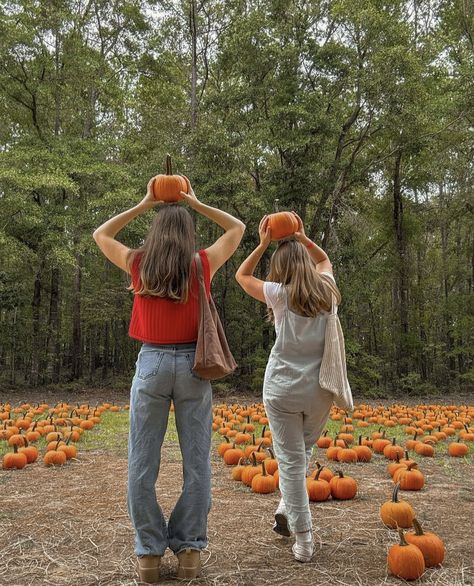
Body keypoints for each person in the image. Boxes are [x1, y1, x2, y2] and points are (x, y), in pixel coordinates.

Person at [93, 178, 245, 582]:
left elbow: (101, 233)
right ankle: (190, 549)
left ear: (156, 233)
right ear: (189, 233)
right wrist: (196, 202)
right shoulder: (201, 264)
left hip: (153, 364)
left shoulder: (138, 263)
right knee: (197, 465)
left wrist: (145, 204)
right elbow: (237, 229)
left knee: (142, 464)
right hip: (195, 366)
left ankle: (149, 555)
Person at [235, 212, 340, 563]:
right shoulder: (328, 291)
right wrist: (304, 236)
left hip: (282, 388)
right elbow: (323, 259)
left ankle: (305, 538)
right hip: (321, 388)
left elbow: (241, 275)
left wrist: (264, 243)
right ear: (307, 264)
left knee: (292, 462)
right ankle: (286, 508)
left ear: (280, 268)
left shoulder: (278, 294)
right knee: (303, 453)